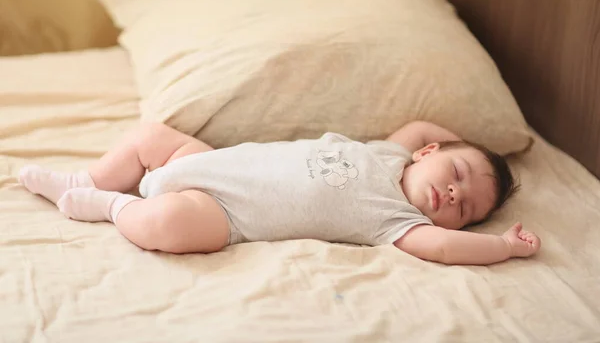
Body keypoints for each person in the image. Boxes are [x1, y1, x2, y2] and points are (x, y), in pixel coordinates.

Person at [18, 121, 541, 265]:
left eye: (466, 207)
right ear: (427, 153)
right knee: (149, 136)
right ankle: (85, 181)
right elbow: (421, 125)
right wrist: (461, 143)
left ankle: (112, 206)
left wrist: (502, 245)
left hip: (223, 211)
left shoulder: (400, 225)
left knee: (167, 228)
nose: (453, 193)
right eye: (456, 173)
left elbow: (449, 248)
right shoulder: (390, 153)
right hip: (206, 160)